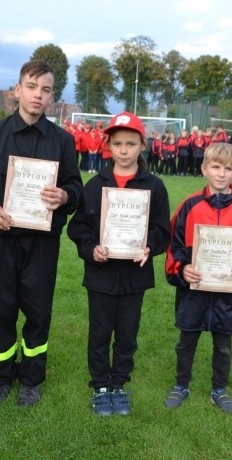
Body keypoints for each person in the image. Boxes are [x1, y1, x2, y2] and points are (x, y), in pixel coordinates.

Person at [0, 60, 83, 406]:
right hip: (3, 240)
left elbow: (76, 187)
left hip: (42, 244)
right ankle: (0, 377)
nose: (38, 95)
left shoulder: (62, 141)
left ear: (52, 97)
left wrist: (65, 196)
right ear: (17, 90)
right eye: (31, 87)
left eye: (45, 90)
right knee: (1, 308)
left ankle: (31, 378)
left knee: (38, 310)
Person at [67, 112, 171, 416]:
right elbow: (78, 227)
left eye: (130, 143)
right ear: (108, 147)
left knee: (127, 334)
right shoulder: (96, 184)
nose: (124, 150)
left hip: (134, 277)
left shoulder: (154, 186)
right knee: (99, 333)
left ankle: (120, 383)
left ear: (142, 145)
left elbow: (163, 230)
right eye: (118, 144)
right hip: (100, 275)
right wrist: (91, 249)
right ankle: (100, 385)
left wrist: (149, 246)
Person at [163, 142, 232, 414]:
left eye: (228, 168)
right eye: (216, 167)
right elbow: (172, 243)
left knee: (224, 345)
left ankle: (219, 388)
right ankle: (181, 384)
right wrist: (182, 268)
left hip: (229, 293)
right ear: (204, 169)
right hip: (193, 291)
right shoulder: (189, 206)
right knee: (186, 341)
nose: (221, 173)